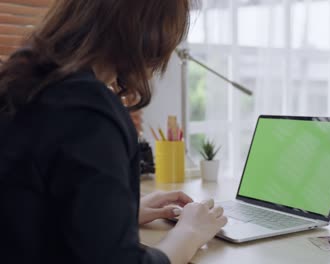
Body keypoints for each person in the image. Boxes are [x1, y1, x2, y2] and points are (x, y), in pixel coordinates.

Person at [0, 1, 227, 264]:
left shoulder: (23, 86)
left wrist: (116, 212)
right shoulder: (87, 111)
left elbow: (29, 210)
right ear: (151, 32)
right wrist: (189, 233)